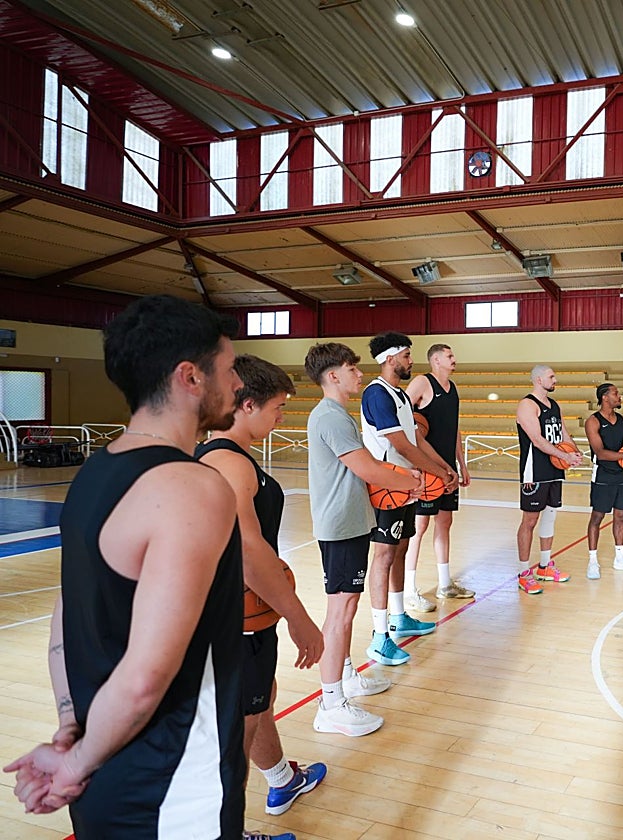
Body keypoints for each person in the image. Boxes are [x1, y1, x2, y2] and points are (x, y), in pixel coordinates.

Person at [3, 294, 249, 837]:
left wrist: (72, 729)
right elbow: (144, 678)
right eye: (230, 369)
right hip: (173, 785)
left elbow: (64, 621)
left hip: (104, 770)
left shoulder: (94, 474)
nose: (237, 384)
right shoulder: (192, 487)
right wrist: (73, 763)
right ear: (190, 376)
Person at [197, 355, 328, 826]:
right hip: (237, 620)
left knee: (259, 700)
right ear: (247, 404)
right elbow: (249, 553)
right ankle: (223, 831)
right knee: (239, 725)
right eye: (278, 407)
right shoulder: (230, 464)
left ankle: (281, 779)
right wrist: (299, 617)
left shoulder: (218, 456)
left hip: (234, 617)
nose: (282, 418)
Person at [305, 342, 421, 738]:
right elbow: (368, 469)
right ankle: (331, 703)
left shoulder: (338, 414)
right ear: (332, 375)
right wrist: (410, 482)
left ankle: (346, 675)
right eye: (352, 368)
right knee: (340, 611)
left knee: (347, 608)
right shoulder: (330, 416)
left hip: (351, 521)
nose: (359, 373)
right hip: (339, 525)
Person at [360, 333, 445, 663]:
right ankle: (379, 636)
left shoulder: (401, 396)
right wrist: (436, 474)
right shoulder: (376, 394)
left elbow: (416, 441)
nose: (411, 361)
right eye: (407, 355)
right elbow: (401, 446)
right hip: (387, 487)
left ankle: (398, 617)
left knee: (401, 549)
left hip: (407, 485)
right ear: (389, 358)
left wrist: (443, 468)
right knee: (383, 556)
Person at [403, 343, 474, 603]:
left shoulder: (452, 388)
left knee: (445, 523)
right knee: (418, 526)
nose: (454, 359)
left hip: (448, 469)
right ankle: (408, 588)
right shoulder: (422, 383)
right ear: (435, 360)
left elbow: (454, 429)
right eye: (449, 356)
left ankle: (445, 584)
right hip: (427, 469)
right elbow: (401, 416)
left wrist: (462, 464)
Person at [515, 364, 582, 594]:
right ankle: (524, 573)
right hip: (535, 470)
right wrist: (564, 455)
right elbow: (536, 439)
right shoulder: (527, 405)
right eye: (551, 377)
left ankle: (544, 566)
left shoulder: (554, 405)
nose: (555, 380)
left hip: (555, 467)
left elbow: (563, 433)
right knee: (530, 520)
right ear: (538, 379)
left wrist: (574, 452)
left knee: (550, 516)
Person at [584, 383, 623, 579]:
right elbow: (600, 453)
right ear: (605, 397)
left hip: (621, 474)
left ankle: (619, 558)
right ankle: (592, 561)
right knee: (597, 517)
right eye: (615, 393)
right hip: (602, 474)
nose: (619, 396)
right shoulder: (593, 421)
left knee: (621, 516)